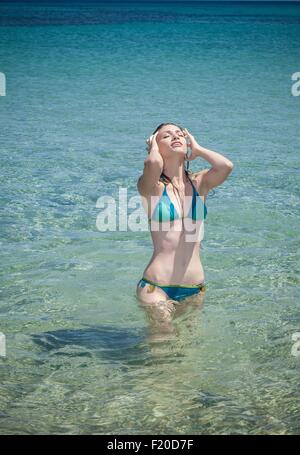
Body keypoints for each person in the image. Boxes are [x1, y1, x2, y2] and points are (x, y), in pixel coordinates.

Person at [136, 123, 234, 334]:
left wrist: (197, 150)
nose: (175, 137)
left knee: (186, 352)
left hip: (194, 289)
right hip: (156, 286)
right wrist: (153, 149)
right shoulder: (152, 187)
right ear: (155, 144)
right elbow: (153, 162)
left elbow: (226, 166)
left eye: (179, 134)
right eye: (166, 136)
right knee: (162, 350)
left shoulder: (200, 183)